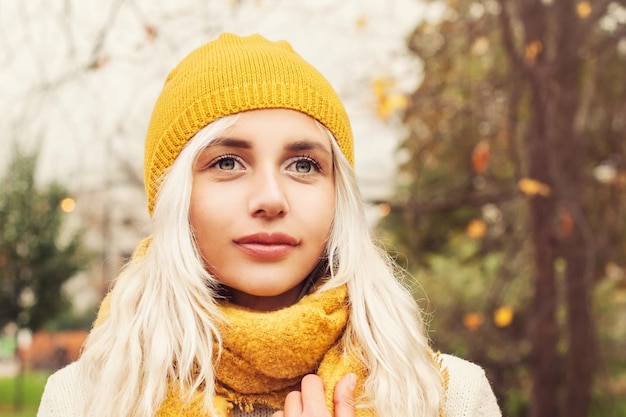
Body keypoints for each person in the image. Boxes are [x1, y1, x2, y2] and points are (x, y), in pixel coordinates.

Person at [37, 33, 501, 417]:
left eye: (303, 165)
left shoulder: (447, 397)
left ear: (338, 196)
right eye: (227, 162)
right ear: (177, 197)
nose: (270, 199)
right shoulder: (85, 401)